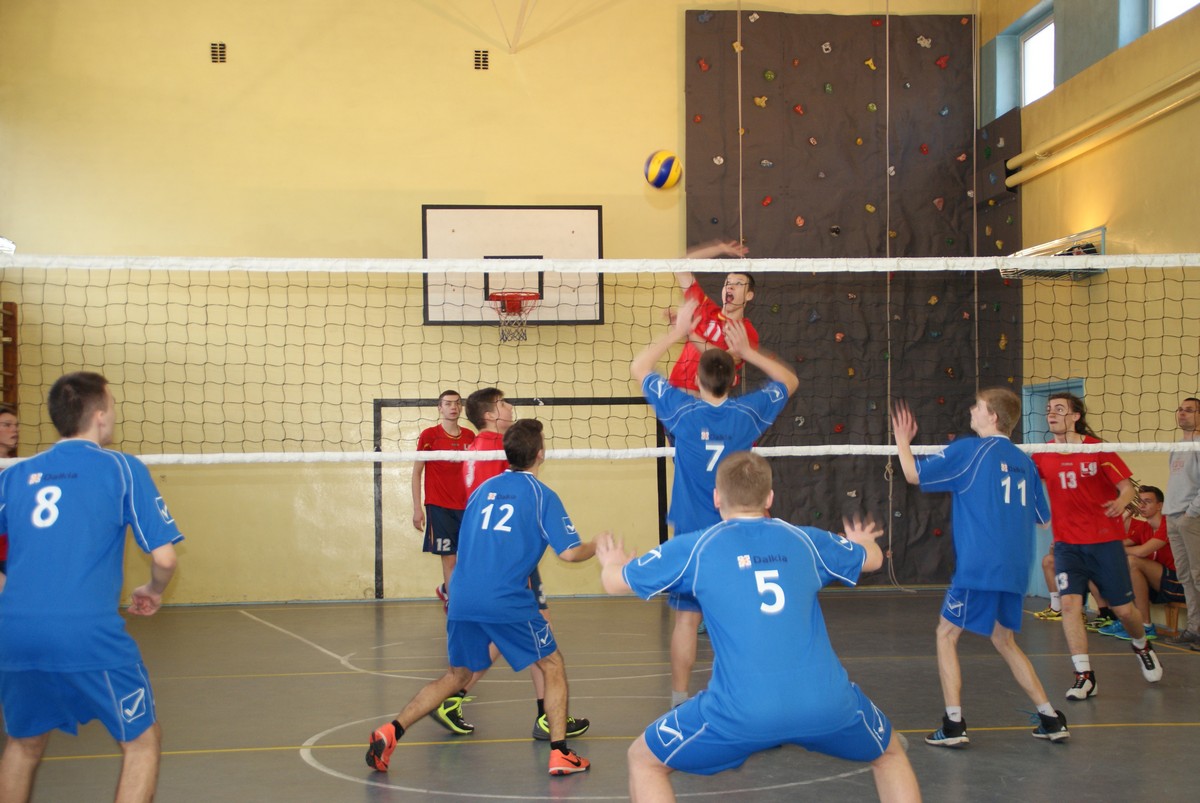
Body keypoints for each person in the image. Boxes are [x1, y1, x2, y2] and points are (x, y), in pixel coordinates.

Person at [595, 452, 921, 803]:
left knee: (643, 760)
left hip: (740, 712)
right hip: (826, 703)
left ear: (716, 497)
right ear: (769, 498)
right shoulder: (807, 540)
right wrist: (862, 541)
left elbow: (614, 583)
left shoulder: (696, 548)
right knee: (889, 754)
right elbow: (873, 559)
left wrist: (612, 562)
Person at [366, 419, 606, 777]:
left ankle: (391, 731)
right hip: (505, 597)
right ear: (541, 454)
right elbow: (569, 553)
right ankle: (560, 753)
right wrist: (598, 546)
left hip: (462, 596)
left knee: (456, 676)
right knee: (552, 665)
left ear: (507, 454)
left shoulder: (481, 491)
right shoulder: (542, 495)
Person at [0, 372, 182, 803]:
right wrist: (154, 589)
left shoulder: (14, 474)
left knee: (23, 744)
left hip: (14, 630)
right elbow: (165, 559)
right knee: (141, 741)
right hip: (86, 632)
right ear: (100, 416)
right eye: (112, 407)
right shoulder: (122, 468)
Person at [632, 297, 798, 707]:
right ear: (733, 379)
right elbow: (789, 381)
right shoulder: (747, 414)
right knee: (745, 619)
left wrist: (677, 333)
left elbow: (640, 368)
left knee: (686, 621)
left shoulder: (681, 411)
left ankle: (678, 701)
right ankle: (751, 696)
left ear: (698, 379)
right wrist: (747, 351)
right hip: (738, 530)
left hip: (692, 533)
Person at [892, 391, 1069, 747]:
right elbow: (1043, 520)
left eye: (978, 406)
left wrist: (902, 441)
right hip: (1016, 568)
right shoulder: (1024, 461)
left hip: (980, 566)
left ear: (993, 417)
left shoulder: (971, 450)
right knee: (1004, 640)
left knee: (946, 634)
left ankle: (953, 724)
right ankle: (1050, 717)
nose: (971, 410)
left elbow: (912, 474)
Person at [436, 388, 588, 742]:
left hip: (492, 554)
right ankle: (542, 716)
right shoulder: (496, 448)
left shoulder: (475, 446)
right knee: (537, 632)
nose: (510, 408)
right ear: (490, 415)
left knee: (520, 631)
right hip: (508, 557)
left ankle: (462, 696)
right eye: (504, 404)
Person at [1031, 392, 1162, 698]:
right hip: (1068, 545)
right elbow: (1030, 485)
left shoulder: (1096, 449)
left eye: (1059, 409)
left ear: (1076, 416)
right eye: (1049, 410)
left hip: (1104, 542)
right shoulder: (1041, 453)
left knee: (1124, 611)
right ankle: (1084, 675)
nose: (1052, 414)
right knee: (1069, 606)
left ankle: (1141, 645)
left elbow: (1127, 488)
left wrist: (1121, 501)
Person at [412, 390, 475, 611]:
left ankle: (447, 589)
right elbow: (417, 472)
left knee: (468, 559)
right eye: (448, 403)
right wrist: (417, 508)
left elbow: (476, 472)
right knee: (450, 559)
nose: (453, 407)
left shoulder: (470, 436)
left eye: (457, 403)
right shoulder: (429, 435)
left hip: (467, 507)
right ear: (440, 408)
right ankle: (454, 604)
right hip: (439, 506)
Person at [669, 240, 756, 392]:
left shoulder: (747, 331)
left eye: (738, 284)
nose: (730, 286)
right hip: (675, 393)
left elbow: (723, 359)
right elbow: (680, 266)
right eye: (727, 283)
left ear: (749, 295)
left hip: (706, 398)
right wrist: (719, 248)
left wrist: (690, 333)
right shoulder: (704, 307)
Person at [1099, 485, 1182, 640]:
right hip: (1159, 584)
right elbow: (1117, 544)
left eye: (1147, 502)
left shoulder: (1168, 524)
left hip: (1178, 584)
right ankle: (1126, 621)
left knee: (1133, 561)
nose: (1142, 505)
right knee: (1118, 564)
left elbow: (1141, 552)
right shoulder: (1144, 527)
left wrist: (1117, 550)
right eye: (1140, 502)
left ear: (1159, 506)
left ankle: (1145, 626)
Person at [1163, 397, 1200, 650]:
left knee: (1198, 575)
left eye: (1189, 410)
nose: (1182, 413)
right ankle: (1194, 628)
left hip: (1191, 518)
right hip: (1173, 516)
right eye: (1180, 409)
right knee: (1185, 577)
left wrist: (1191, 513)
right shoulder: (1178, 446)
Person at [0, 403, 18, 592]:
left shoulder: (18, 468)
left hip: (12, 552)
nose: (14, 430)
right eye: (7, 425)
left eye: (16, 425)